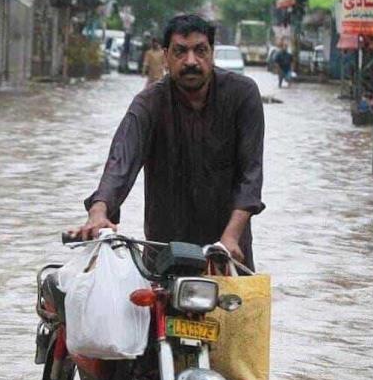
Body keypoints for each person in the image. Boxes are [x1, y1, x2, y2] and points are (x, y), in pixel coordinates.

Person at [73, 14, 265, 268]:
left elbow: (251, 174)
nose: (191, 61)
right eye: (180, 52)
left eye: (200, 51)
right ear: (165, 56)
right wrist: (98, 212)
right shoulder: (149, 103)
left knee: (245, 305)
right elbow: (121, 161)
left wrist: (230, 237)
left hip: (228, 251)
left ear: (212, 53)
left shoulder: (243, 94)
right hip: (164, 253)